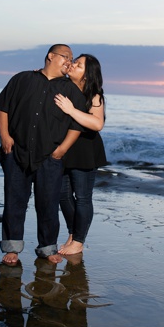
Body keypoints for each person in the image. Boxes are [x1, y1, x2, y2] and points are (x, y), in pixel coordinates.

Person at [0, 44, 87, 265]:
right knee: (14, 201)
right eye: (66, 57)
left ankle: (47, 248)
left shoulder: (71, 90)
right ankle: (12, 247)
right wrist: (5, 137)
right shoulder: (22, 79)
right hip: (16, 152)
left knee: (48, 203)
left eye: (72, 59)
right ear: (50, 56)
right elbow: (2, 108)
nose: (69, 62)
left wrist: (62, 149)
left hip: (50, 156)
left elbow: (76, 124)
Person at [53, 54, 107, 256]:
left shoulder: (94, 95)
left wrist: (71, 109)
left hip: (85, 150)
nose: (73, 65)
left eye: (79, 64)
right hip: (63, 147)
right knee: (62, 195)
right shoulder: (62, 86)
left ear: (88, 73)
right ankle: (72, 233)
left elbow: (97, 123)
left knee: (83, 197)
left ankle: (78, 240)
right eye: (74, 62)